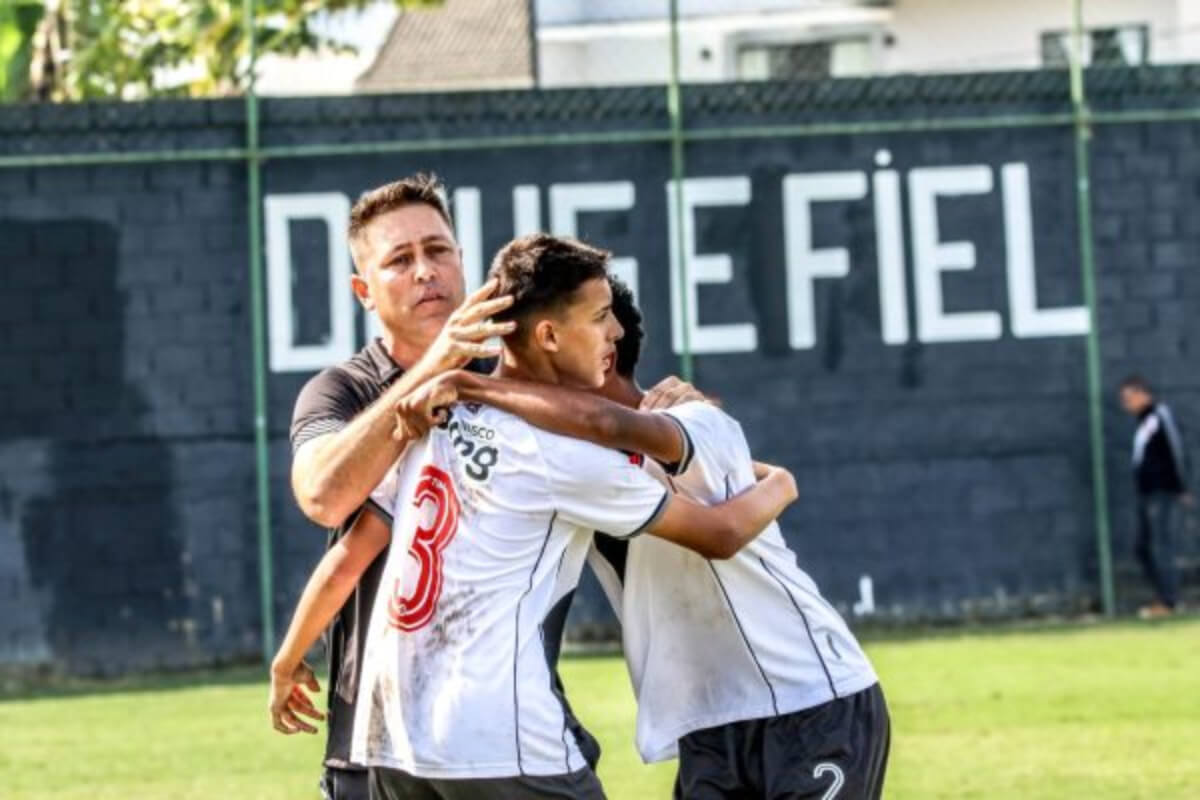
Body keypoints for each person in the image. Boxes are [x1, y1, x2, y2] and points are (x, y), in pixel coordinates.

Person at [269, 234, 798, 799]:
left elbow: (347, 559)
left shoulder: (430, 416)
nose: (614, 333)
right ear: (548, 335)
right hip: (498, 741)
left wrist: (286, 659)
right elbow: (719, 534)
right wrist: (781, 481)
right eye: (599, 318)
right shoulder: (563, 454)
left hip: (395, 739)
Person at [411, 275, 890, 798]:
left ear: (604, 354)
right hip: (710, 724)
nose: (525, 383)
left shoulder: (687, 421)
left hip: (812, 703)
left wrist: (474, 386)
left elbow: (719, 520)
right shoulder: (566, 461)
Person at [287, 173, 517, 800]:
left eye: (438, 250)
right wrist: (436, 366)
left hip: (505, 740)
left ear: (463, 262)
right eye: (400, 259)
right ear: (364, 290)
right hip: (375, 743)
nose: (425, 271)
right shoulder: (341, 392)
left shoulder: (519, 389)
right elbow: (323, 496)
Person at [1118, 375, 1192, 619]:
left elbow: (1176, 450)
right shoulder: (1144, 422)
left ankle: (1169, 600)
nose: (1126, 404)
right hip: (1148, 494)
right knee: (1143, 548)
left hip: (1163, 493)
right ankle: (1163, 597)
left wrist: (1181, 487)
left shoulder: (1160, 416)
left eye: (1129, 398)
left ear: (1143, 394)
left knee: (1161, 546)